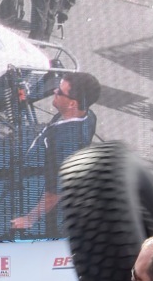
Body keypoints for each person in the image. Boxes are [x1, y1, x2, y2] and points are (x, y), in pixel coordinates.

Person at [11, 71, 99, 233]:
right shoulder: (88, 115)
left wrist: (30, 218)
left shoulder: (66, 144)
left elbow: (55, 192)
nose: (54, 91)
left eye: (59, 91)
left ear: (72, 104)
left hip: (34, 182)